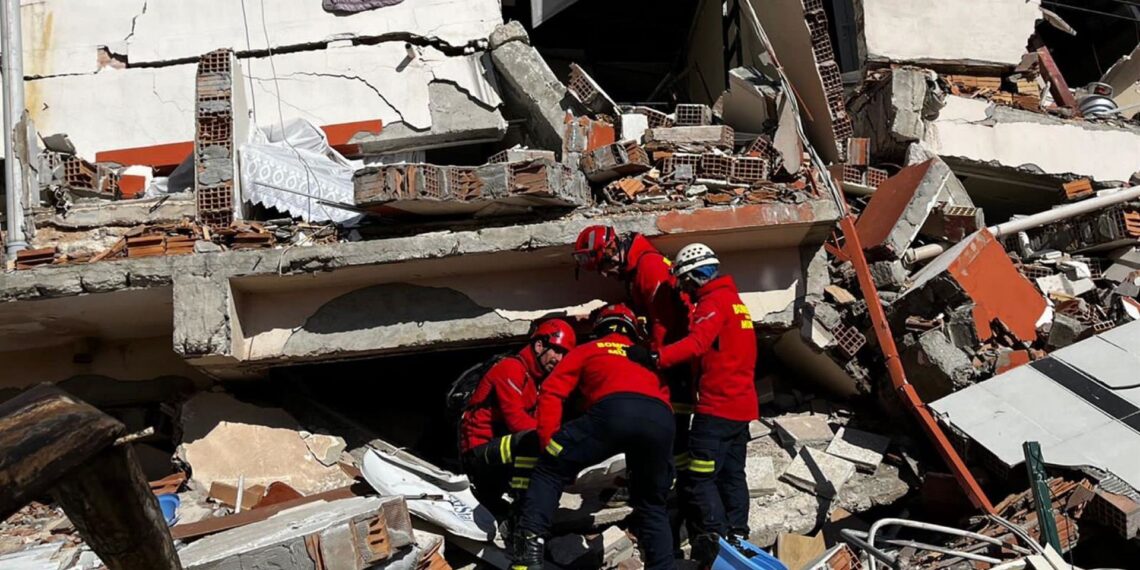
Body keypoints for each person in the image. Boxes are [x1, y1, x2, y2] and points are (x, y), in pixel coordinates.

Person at [511, 304, 675, 570]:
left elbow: (552, 392)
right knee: (651, 503)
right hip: (661, 420)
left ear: (598, 329)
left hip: (614, 411)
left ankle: (527, 557)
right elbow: (663, 400)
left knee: (549, 470)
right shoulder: (645, 356)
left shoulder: (588, 350)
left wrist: (549, 445)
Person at [627, 243, 758, 566]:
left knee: (700, 479)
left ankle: (719, 541)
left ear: (694, 277)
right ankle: (739, 536)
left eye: (685, 283)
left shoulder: (712, 305)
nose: (684, 290)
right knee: (732, 476)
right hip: (742, 408)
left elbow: (697, 343)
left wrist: (655, 357)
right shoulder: (735, 302)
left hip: (716, 409)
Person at [573, 225, 696, 492]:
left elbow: (663, 322)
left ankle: (669, 484)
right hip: (673, 357)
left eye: (604, 264)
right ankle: (665, 480)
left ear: (613, 248)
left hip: (675, 361)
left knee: (674, 427)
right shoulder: (640, 267)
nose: (606, 273)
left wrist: (652, 361)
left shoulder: (649, 268)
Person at [458, 319, 577, 522]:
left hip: (500, 456)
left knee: (543, 444)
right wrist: (555, 443)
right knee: (533, 441)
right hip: (478, 454)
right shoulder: (511, 368)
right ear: (539, 345)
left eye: (564, 354)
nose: (559, 359)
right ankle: (524, 506)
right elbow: (517, 422)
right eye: (556, 351)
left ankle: (531, 505)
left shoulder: (538, 381)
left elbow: (541, 423)